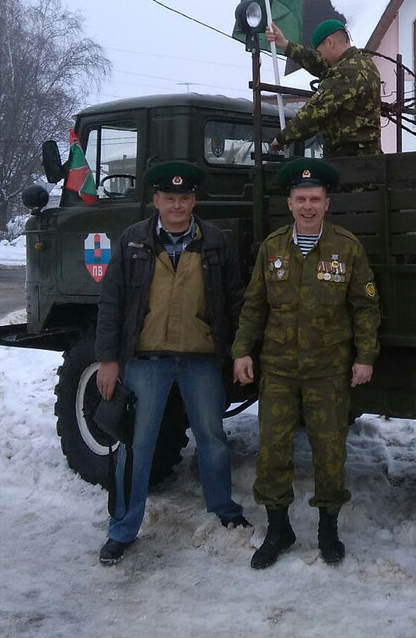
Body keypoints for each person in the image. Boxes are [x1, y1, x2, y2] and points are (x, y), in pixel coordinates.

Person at [94, 160, 251, 566]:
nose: (177, 205)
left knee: (213, 439)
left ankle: (223, 509)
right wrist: (108, 360)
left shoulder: (215, 241)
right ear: (156, 200)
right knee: (136, 445)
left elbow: (234, 301)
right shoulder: (132, 241)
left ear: (194, 199)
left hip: (200, 360)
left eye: (184, 198)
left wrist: (238, 351)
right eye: (169, 198)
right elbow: (112, 303)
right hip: (146, 360)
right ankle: (123, 528)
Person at [232, 158, 380, 569]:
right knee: (273, 451)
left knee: (329, 452)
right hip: (278, 368)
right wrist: (242, 350)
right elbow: (254, 306)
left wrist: (365, 357)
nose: (308, 206)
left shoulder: (347, 248)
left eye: (315, 198)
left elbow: (366, 308)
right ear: (290, 203)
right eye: (301, 199)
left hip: (328, 370)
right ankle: (279, 528)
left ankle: (327, 528)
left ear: (327, 203)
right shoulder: (273, 247)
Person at [266, 20, 382, 157]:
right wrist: (285, 45)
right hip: (365, 155)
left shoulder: (346, 71)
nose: (321, 57)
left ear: (330, 43)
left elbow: (315, 111)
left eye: (320, 51)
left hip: (350, 159)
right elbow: (318, 63)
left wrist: (282, 138)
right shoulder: (362, 63)